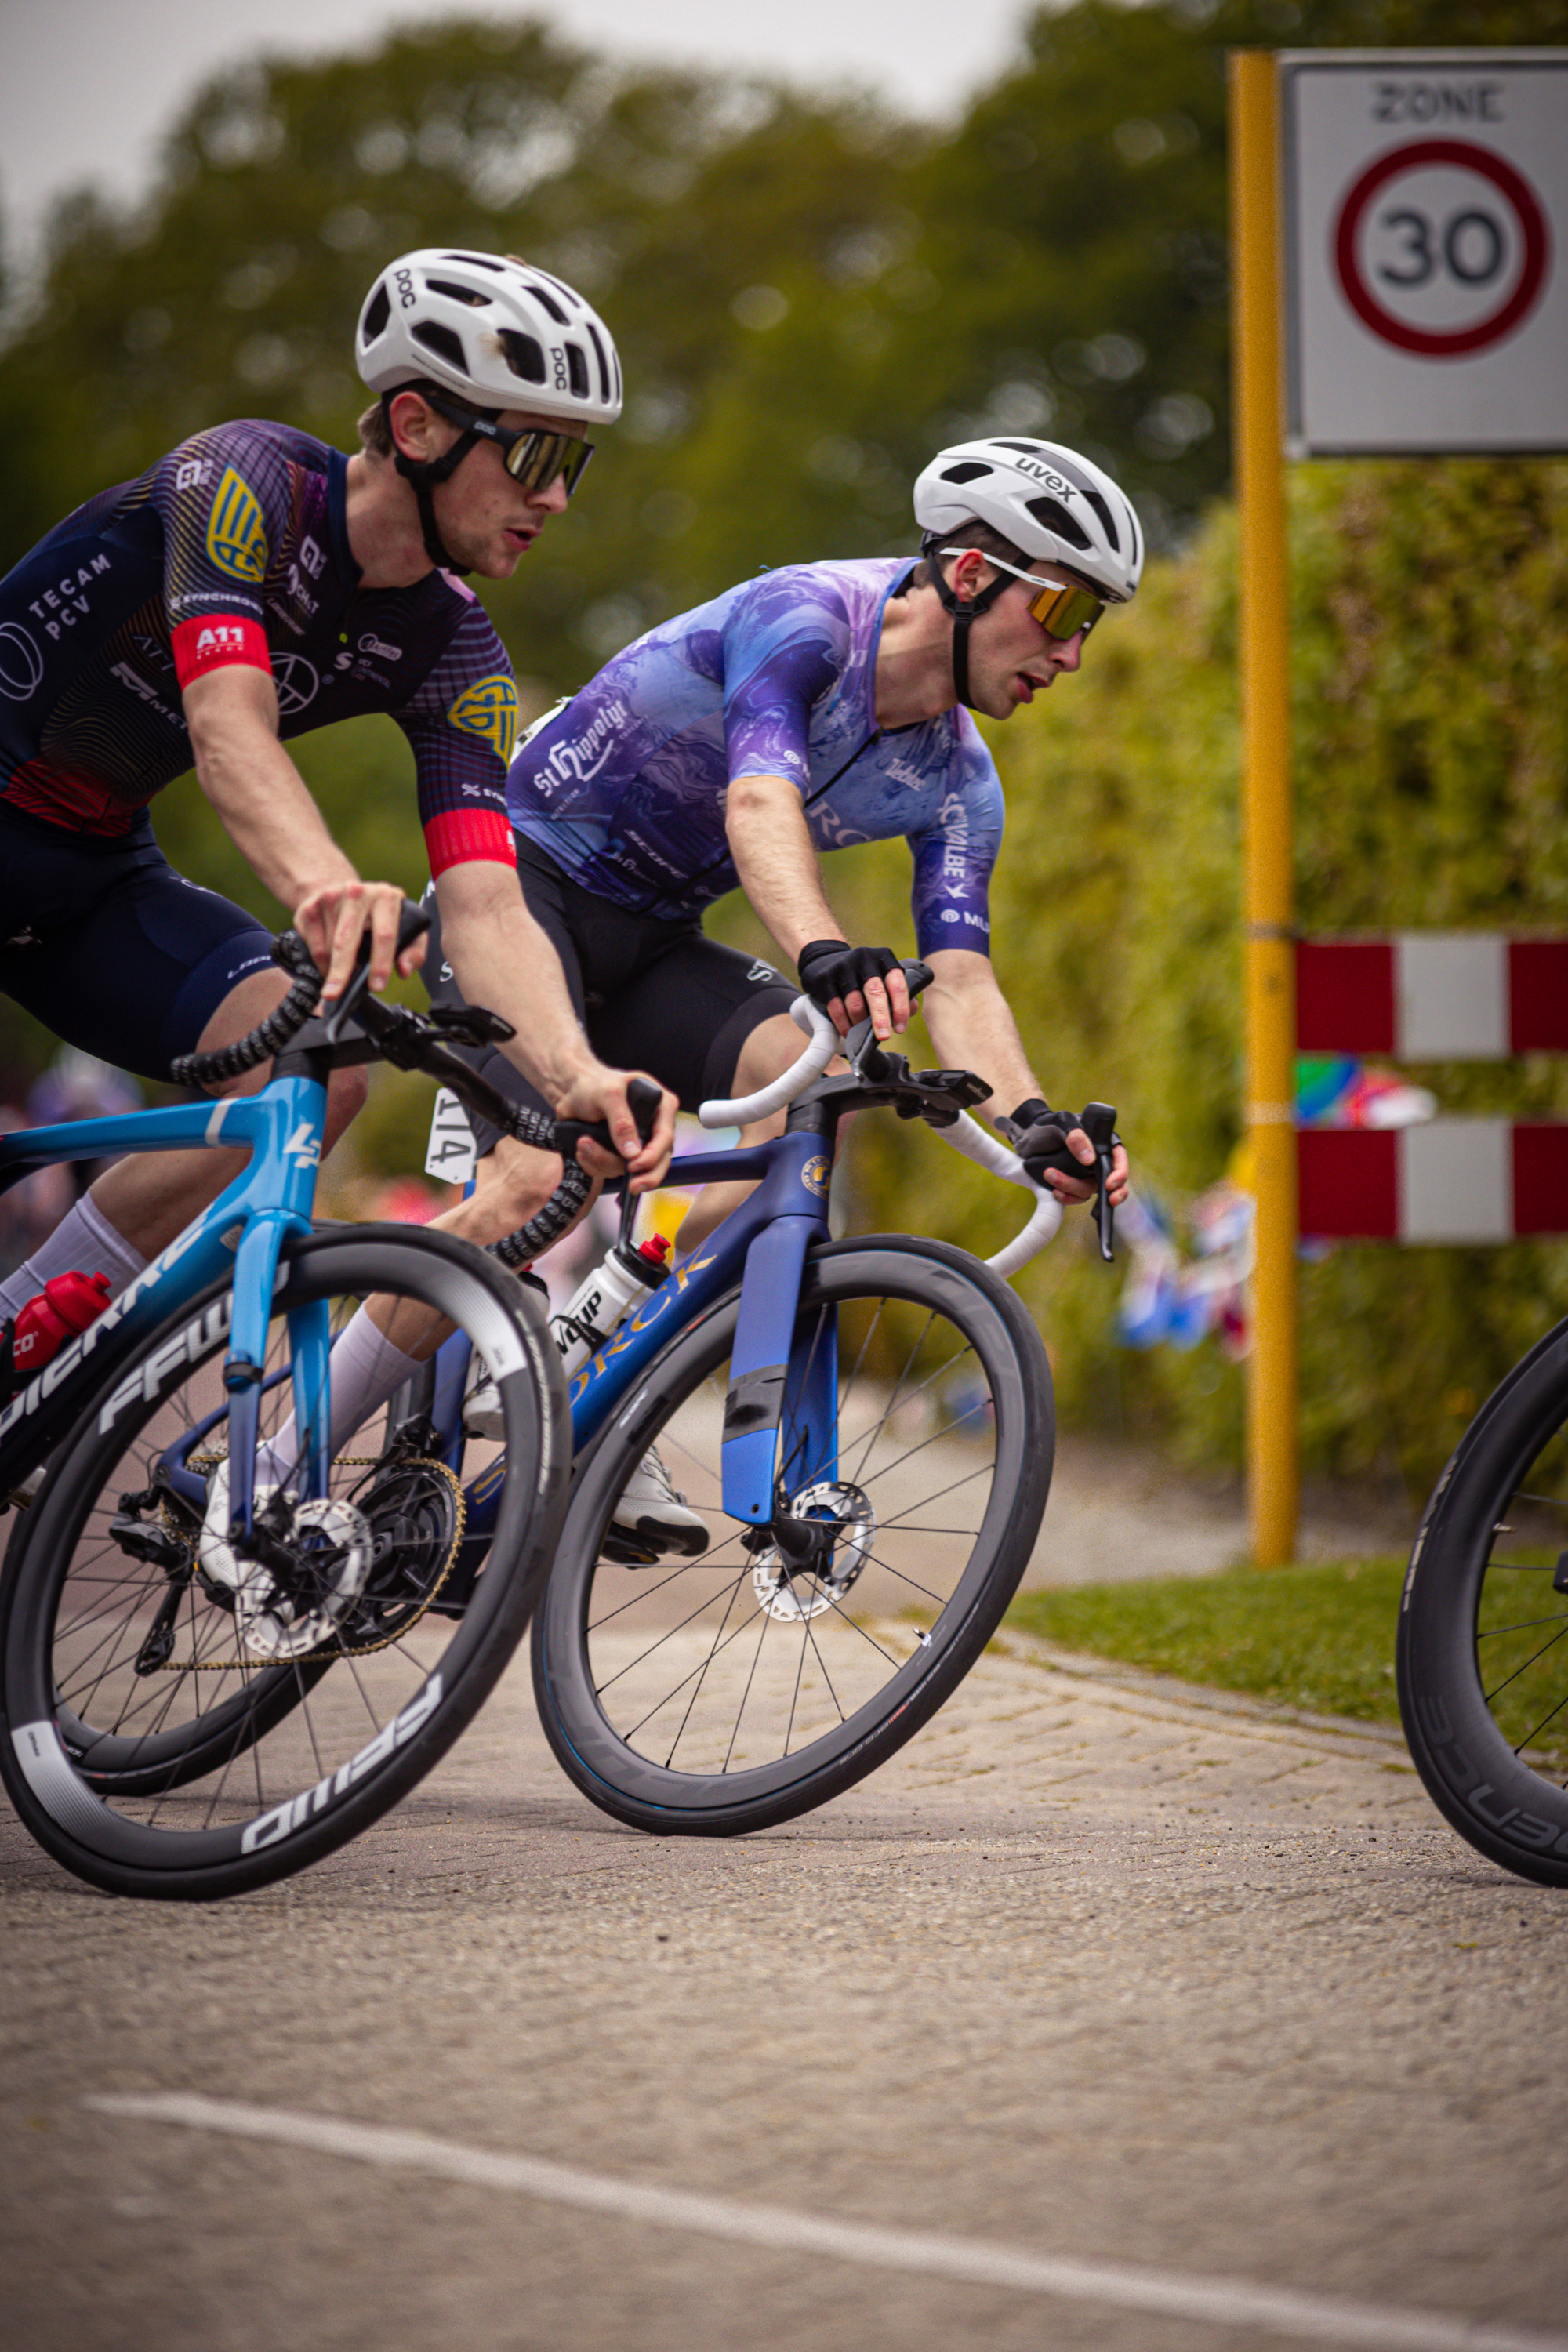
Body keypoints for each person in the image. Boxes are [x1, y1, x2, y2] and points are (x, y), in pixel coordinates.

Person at [423, 435, 1139, 1550]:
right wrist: (822, 951)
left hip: (652, 938)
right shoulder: (811, 619)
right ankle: (266, 1465)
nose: (1075, 653)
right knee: (529, 1177)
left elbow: (959, 973)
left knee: (799, 1091)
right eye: (1060, 612)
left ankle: (601, 1338)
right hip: (516, 893)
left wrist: (1033, 1120)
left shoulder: (960, 779)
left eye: (1092, 626)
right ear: (967, 574)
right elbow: (759, 805)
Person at [0, 247, 676, 1359]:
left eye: (576, 465)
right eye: (535, 452)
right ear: (415, 427)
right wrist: (325, 887)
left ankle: (26, 1328)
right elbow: (228, 726)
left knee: (322, 1070)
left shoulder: (458, 652)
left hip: (86, 872)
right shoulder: (244, 480)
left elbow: (488, 906)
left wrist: (578, 1075)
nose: (554, 496)